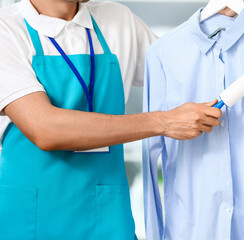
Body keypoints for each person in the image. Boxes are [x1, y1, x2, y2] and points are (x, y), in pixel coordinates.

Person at [0, 0, 222, 239]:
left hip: (107, 215)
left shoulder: (118, 20)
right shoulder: (7, 27)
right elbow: (44, 128)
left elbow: (185, 74)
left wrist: (218, 17)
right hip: (31, 220)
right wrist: (164, 122)